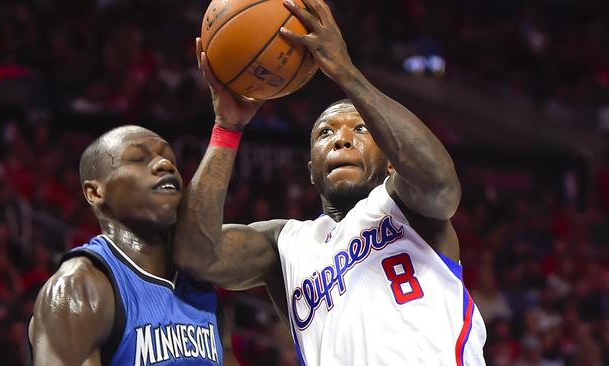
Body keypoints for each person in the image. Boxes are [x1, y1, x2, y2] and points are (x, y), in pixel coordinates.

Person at [175, 0, 487, 364]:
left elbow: (440, 183)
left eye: (360, 129)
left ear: (391, 162)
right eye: (325, 132)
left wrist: (345, 71)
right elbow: (196, 256)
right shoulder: (285, 245)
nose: (341, 139)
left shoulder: (409, 207)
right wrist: (227, 128)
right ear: (311, 169)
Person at [29, 126, 236, 366]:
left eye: (170, 159)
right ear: (95, 192)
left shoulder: (201, 288)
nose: (164, 164)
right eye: (138, 158)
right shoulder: (78, 288)